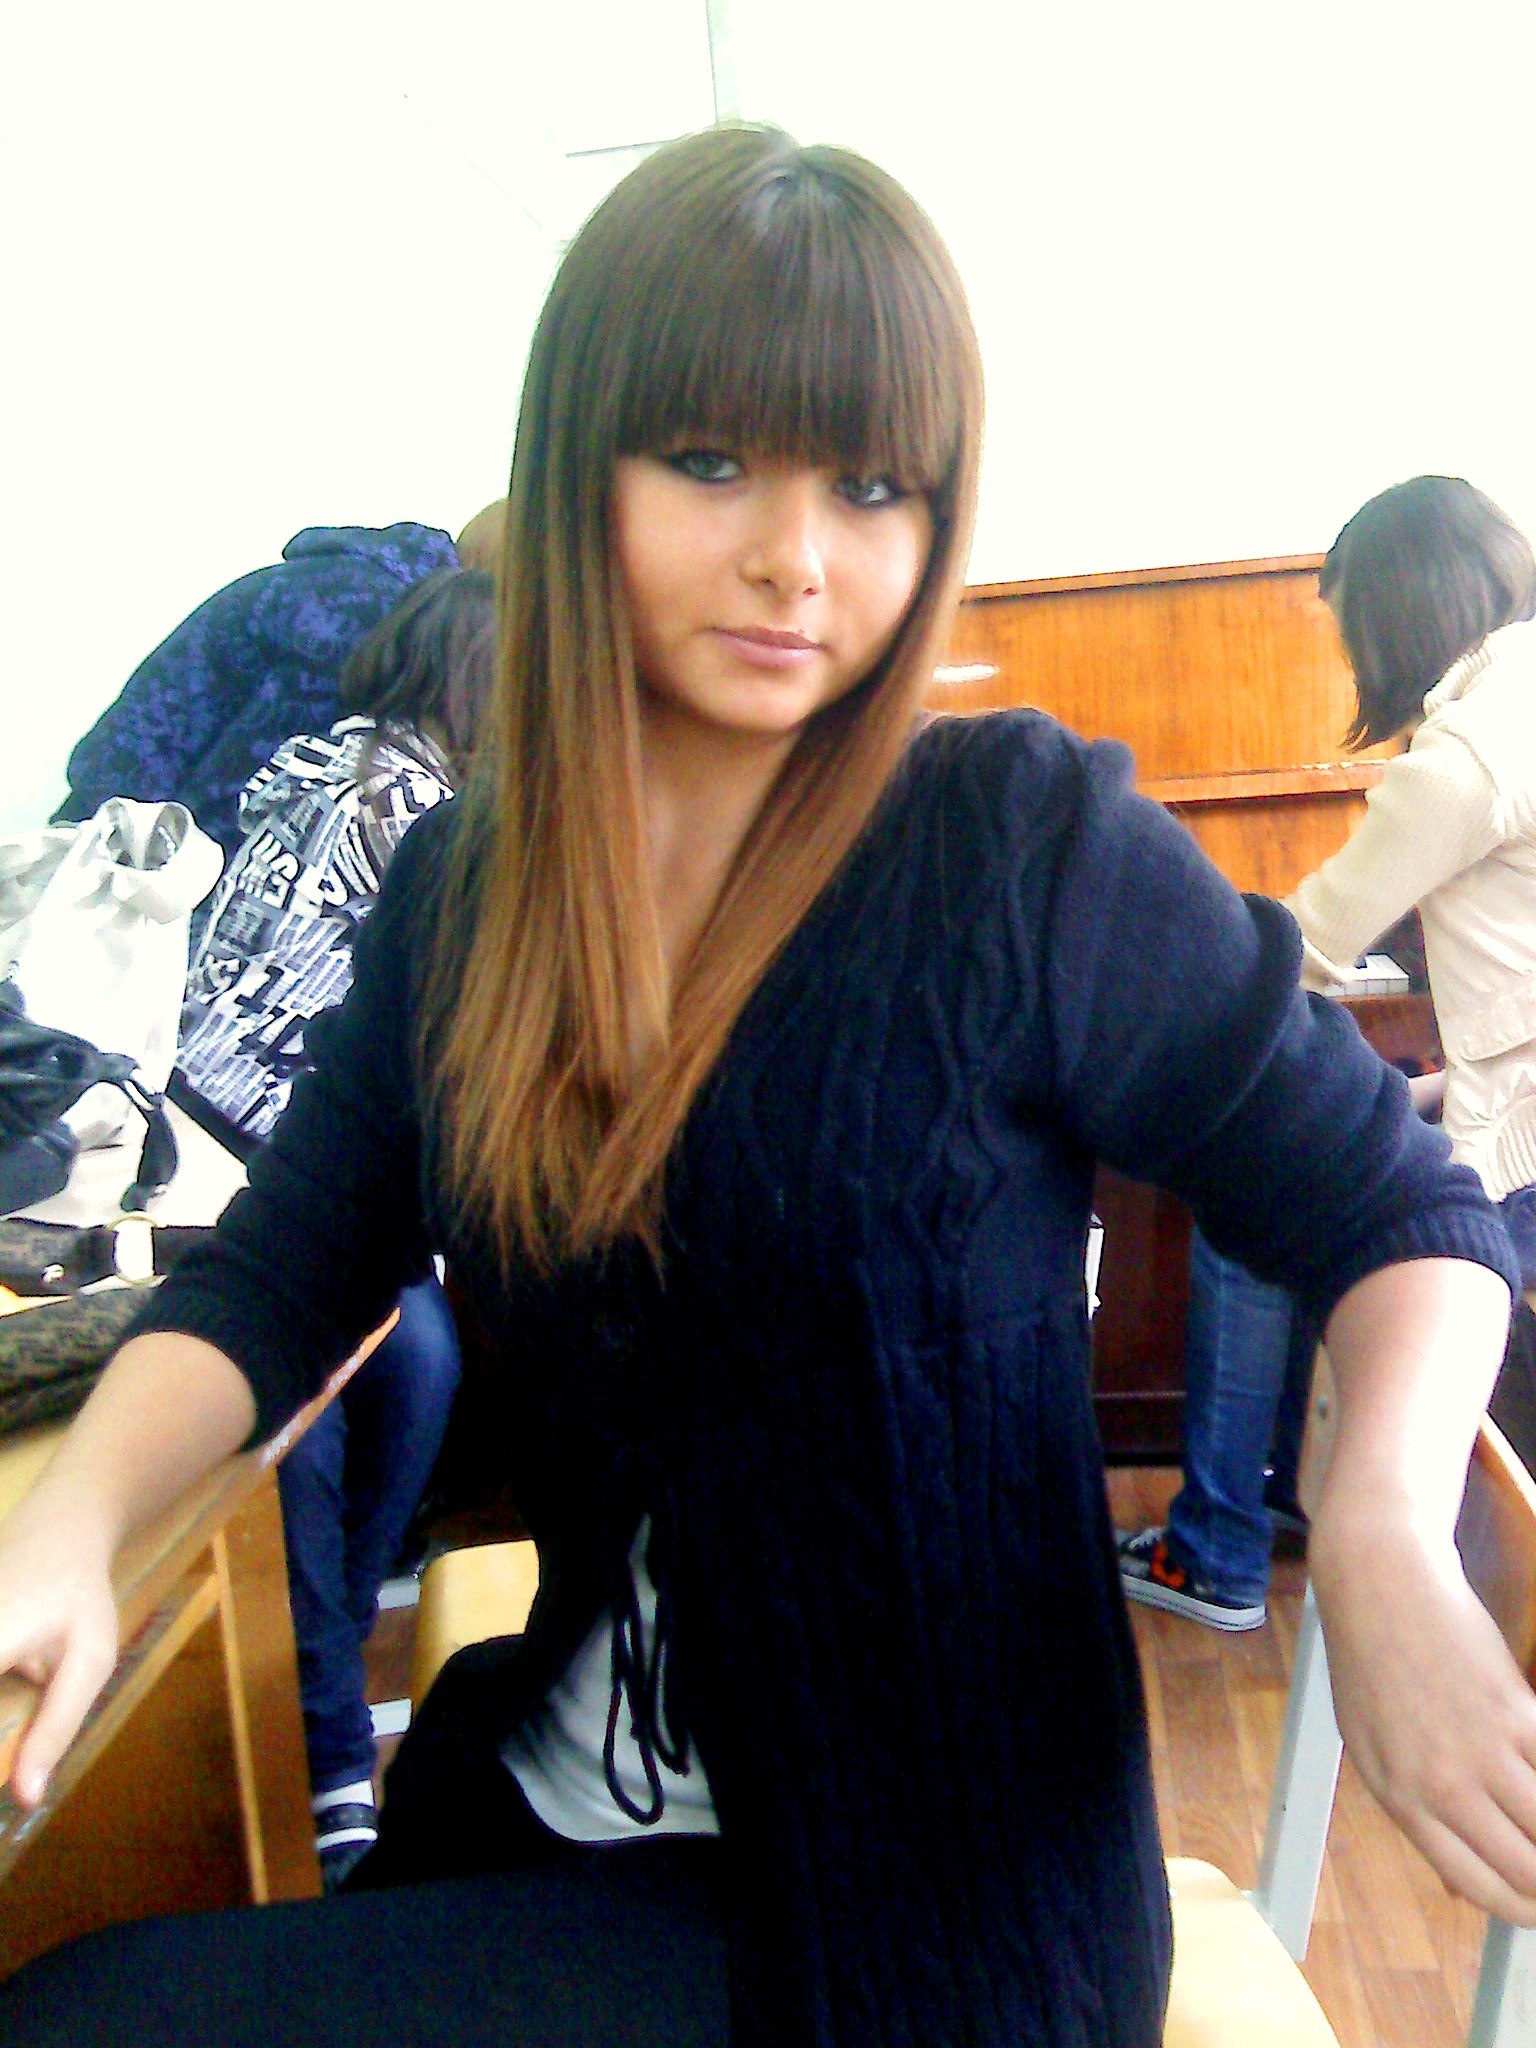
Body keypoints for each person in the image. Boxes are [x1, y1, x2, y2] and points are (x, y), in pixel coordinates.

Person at [0, 134, 1532, 2048]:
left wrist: (1377, 1521)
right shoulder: (473, 891)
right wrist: (65, 1529)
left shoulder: (1012, 847)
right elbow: (282, 1271)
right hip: (564, 1807)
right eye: (711, 460)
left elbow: (1402, 1210)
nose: (797, 555)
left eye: (872, 484)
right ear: (581, 472)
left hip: (929, 1921)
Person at [1119, 476, 1536, 1631]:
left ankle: (1218, 1549)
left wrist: (1140, 986)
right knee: (1317, 1147)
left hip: (1515, 1165)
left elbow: (1299, 948)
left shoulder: (1466, 754)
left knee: (1247, 1201)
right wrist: (1436, 1088)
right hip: (1506, 1100)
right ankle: (1276, 1499)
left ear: (1394, 612)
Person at [174, 567, 497, 1885]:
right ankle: (323, 1745)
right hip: (238, 1155)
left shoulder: (334, 767)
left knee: (420, 1360)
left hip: (257, 1135)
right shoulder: (402, 809)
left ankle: (334, 1641)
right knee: (320, 1400)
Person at [55, 504, 506, 857]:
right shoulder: (366, 619)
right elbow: (241, 796)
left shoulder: (374, 591)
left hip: (122, 822)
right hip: (120, 853)